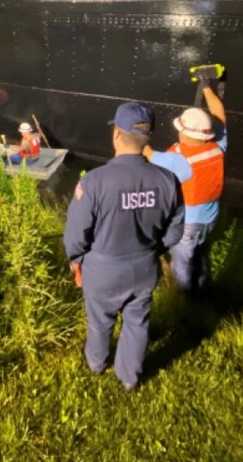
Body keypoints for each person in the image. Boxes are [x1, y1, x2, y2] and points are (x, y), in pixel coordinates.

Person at [63, 102, 185, 392]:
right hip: (144, 266)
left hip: (102, 268)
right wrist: (155, 250)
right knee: (137, 322)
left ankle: (96, 363)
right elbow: (176, 230)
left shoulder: (93, 182)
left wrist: (75, 260)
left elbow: (76, 234)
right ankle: (130, 377)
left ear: (116, 135)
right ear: (147, 139)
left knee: (100, 320)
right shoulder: (168, 181)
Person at [144, 80, 227, 293]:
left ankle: (183, 300)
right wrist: (207, 86)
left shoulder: (178, 161)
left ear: (186, 135)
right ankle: (204, 291)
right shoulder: (218, 146)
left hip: (188, 225)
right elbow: (219, 114)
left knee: (182, 264)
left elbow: (146, 153)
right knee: (201, 257)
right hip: (210, 220)